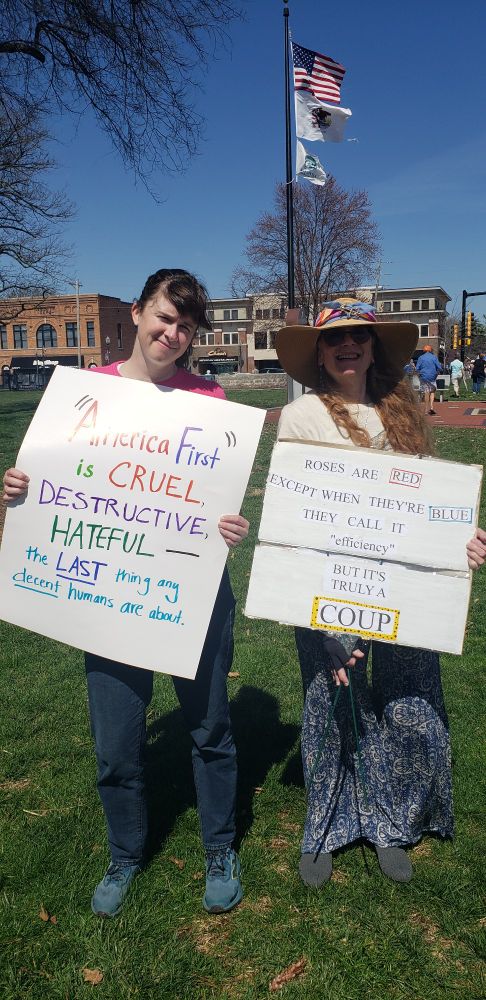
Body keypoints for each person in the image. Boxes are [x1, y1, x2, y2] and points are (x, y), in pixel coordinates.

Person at [2, 268, 249, 918]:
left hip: (191, 591)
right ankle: (124, 854)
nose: (173, 333)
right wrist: (19, 494)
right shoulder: (86, 395)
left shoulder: (210, 398)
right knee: (116, 743)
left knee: (211, 728)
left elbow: (214, 502)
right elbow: (55, 483)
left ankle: (219, 847)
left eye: (186, 325)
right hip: (107, 595)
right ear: (138, 313)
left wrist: (231, 526)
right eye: (165, 318)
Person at [274, 297, 486, 888]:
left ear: (374, 349)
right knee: (332, 701)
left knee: (408, 696)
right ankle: (329, 824)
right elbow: (294, 517)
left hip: (404, 584)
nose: (348, 346)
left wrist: (460, 540)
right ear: (318, 351)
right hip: (328, 583)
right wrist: (318, 615)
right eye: (335, 338)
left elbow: (429, 504)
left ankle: (395, 818)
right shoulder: (302, 418)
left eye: (359, 338)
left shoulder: (405, 412)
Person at [414, 344, 442, 415]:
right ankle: (432, 407)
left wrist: (419, 374)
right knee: (432, 391)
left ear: (424, 350)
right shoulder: (434, 357)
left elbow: (417, 368)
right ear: (430, 350)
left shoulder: (421, 358)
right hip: (432, 376)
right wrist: (436, 374)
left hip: (424, 377)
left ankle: (426, 409)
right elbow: (439, 367)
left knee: (426, 392)